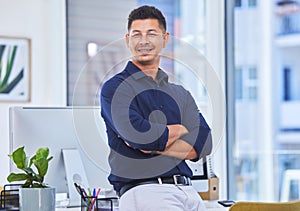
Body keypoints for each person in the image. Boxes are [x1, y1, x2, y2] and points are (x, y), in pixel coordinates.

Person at [100, 5, 212, 211]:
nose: (143, 41)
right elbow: (142, 138)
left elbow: (203, 143)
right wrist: (181, 130)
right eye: (137, 35)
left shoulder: (180, 93)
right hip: (146, 192)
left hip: (188, 191)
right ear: (128, 40)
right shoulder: (115, 89)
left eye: (151, 34)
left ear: (165, 39)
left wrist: (155, 141)